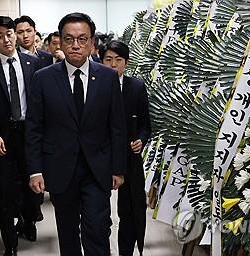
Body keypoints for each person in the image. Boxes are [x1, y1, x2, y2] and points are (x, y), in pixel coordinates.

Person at [25, 12, 127, 256]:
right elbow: (34, 128)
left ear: (92, 43)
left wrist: (118, 168)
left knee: (97, 229)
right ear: (60, 41)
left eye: (82, 39)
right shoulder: (43, 79)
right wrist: (35, 170)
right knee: (68, 233)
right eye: (69, 39)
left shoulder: (108, 77)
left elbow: (117, 126)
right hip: (60, 167)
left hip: (97, 168)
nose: (75, 46)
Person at [0, 16, 39, 256]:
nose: (6, 39)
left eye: (9, 33)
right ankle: (10, 243)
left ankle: (29, 221)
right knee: (3, 190)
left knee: (31, 183)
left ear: (16, 35)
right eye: (0, 35)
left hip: (29, 135)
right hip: (3, 137)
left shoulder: (33, 65)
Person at [100, 40, 151, 256]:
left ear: (126, 63)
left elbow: (145, 125)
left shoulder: (136, 87)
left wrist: (141, 139)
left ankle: (126, 251)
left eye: (118, 60)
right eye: (108, 60)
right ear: (101, 61)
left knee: (130, 209)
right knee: (99, 211)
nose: (113, 65)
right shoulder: (94, 86)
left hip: (130, 156)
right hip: (102, 156)